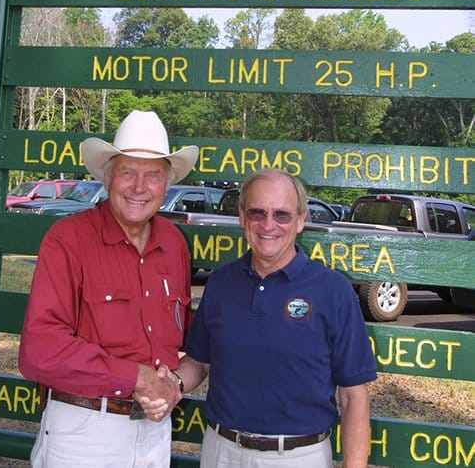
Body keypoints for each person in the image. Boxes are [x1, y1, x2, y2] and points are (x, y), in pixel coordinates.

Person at [139, 168, 377, 467]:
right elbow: (199, 361)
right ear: (242, 217)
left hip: (299, 457)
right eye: (257, 212)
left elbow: (354, 396)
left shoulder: (333, 290)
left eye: (282, 214)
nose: (268, 225)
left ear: (301, 219)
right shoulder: (222, 282)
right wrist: (172, 385)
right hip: (221, 452)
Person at [19, 110, 199, 468]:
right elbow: (40, 349)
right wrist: (136, 376)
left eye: (153, 176)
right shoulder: (68, 239)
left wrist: (172, 384)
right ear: (106, 177)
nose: (138, 187)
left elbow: (183, 341)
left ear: (166, 184)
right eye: (127, 172)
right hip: (85, 431)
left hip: (153, 432)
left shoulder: (174, 243)